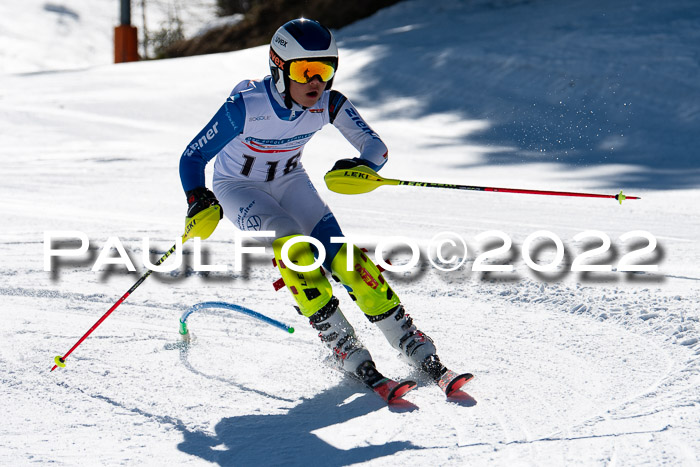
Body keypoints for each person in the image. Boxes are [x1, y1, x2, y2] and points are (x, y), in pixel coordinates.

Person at [179, 18, 471, 400]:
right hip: (238, 187)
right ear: (279, 68)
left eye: (326, 70)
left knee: (348, 260)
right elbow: (193, 155)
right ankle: (343, 345)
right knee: (297, 250)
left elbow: (376, 148)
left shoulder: (329, 103)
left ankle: (412, 343)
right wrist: (196, 196)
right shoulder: (246, 106)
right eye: (305, 71)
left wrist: (365, 167)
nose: (317, 82)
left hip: (290, 179)